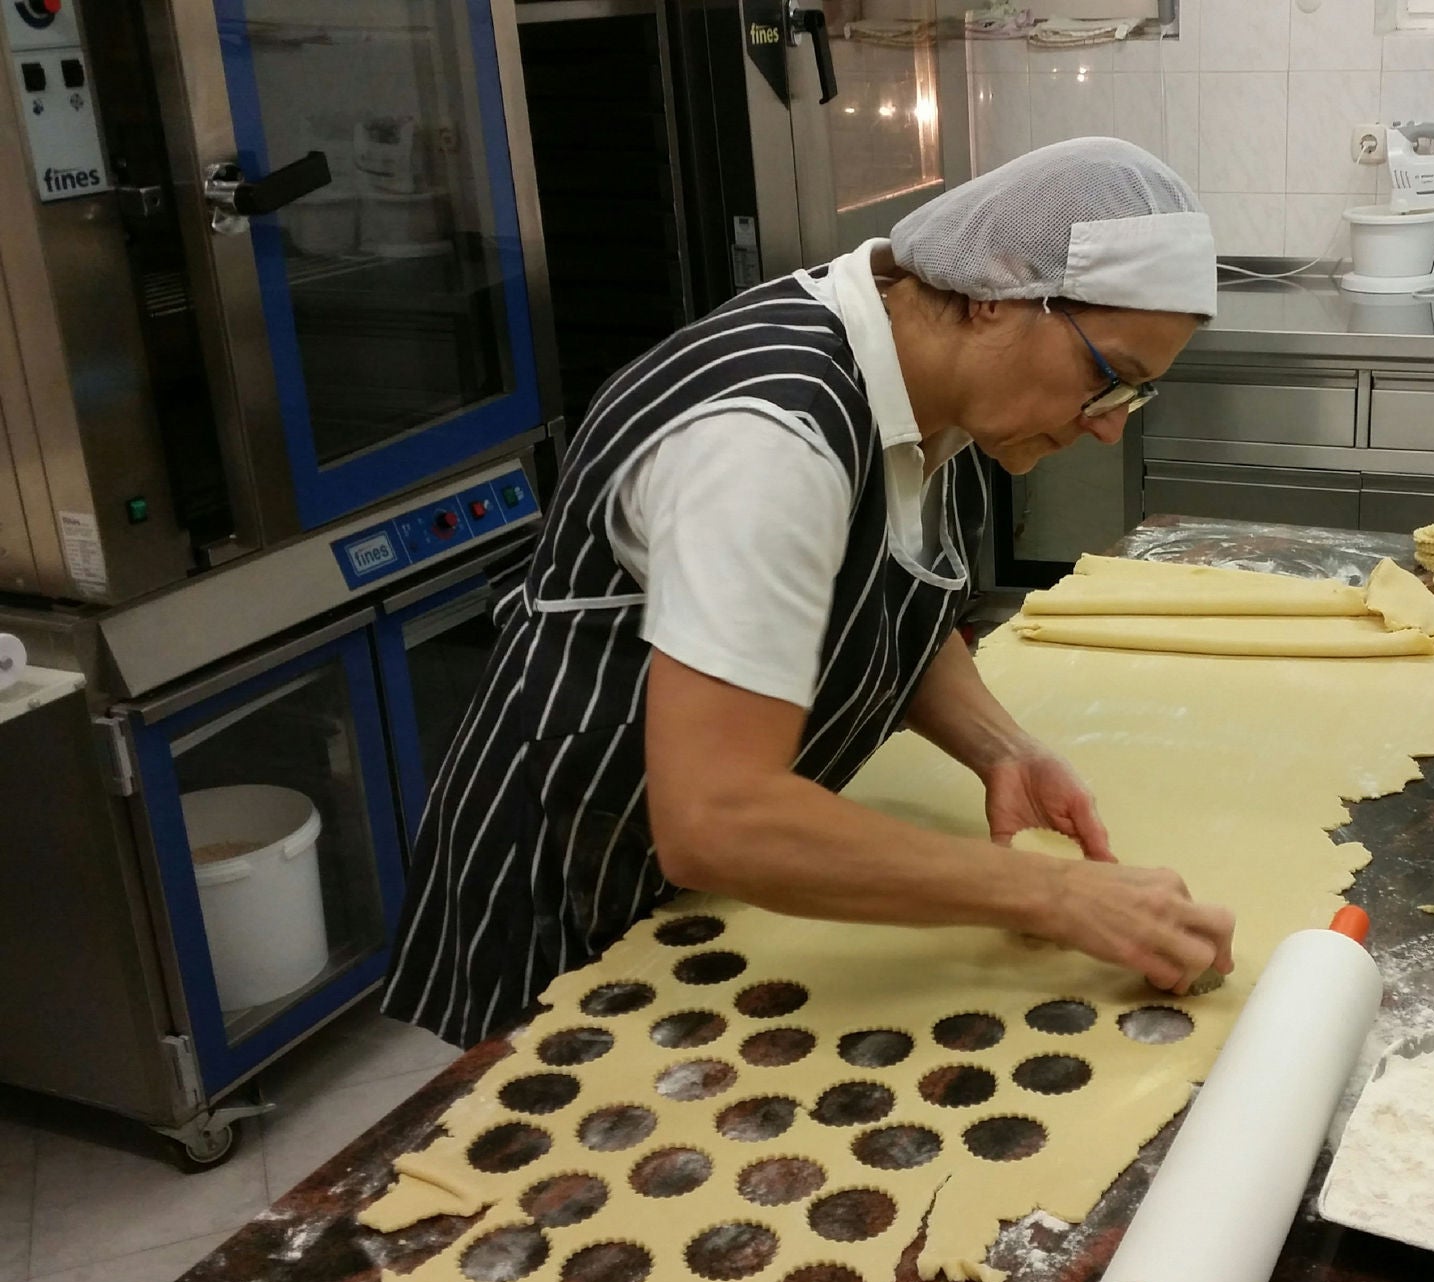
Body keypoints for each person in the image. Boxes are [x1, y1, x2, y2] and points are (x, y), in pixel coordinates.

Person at [383, 138, 1236, 1048]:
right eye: (1108, 377)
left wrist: (1002, 748)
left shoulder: (924, 387)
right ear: (995, 292)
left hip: (694, 901)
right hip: (571, 894)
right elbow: (717, 817)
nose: (1108, 429)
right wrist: (1060, 895)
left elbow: (876, 603)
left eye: (1133, 398)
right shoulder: (769, 442)